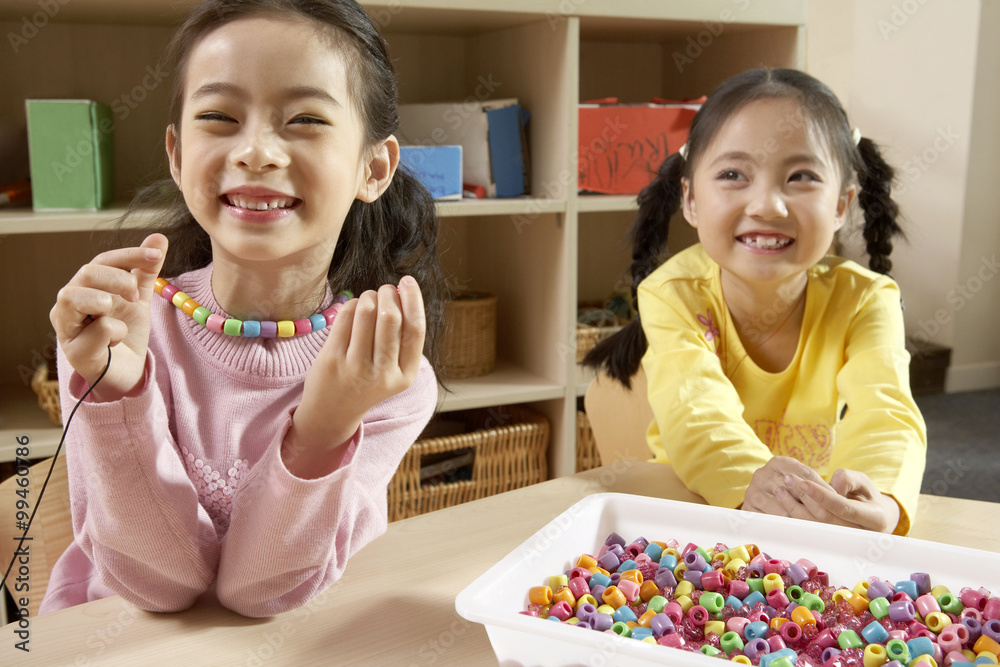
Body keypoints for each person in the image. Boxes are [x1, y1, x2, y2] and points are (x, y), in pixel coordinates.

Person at [42, 0, 446, 617]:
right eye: (219, 116)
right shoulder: (117, 336)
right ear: (177, 155)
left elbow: (261, 594)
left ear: (374, 166)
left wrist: (324, 429)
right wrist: (117, 394)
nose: (256, 152)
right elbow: (158, 588)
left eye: (306, 119)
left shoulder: (385, 375)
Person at [585, 68, 926, 536]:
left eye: (801, 176)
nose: (768, 205)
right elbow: (696, 414)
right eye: (732, 175)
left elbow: (886, 413)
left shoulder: (866, 300)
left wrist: (879, 497)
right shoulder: (674, 294)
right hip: (696, 514)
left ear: (842, 204)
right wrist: (751, 484)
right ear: (691, 200)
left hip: (804, 523)